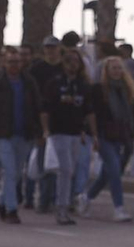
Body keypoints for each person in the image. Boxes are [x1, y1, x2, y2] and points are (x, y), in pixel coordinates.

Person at [0, 47, 42, 224]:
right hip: (3, 134)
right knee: (10, 170)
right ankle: (11, 209)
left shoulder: (29, 82)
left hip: (24, 134)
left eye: (17, 62)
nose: (14, 65)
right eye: (11, 62)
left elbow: (37, 107)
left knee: (16, 173)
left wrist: (40, 131)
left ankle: (1, 201)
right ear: (4, 64)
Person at [41, 41, 96, 226]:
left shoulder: (83, 86)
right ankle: (61, 207)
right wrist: (46, 129)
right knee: (65, 170)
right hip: (59, 132)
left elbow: (88, 111)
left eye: (75, 61)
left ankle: (65, 203)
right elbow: (46, 108)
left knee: (70, 170)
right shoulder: (54, 84)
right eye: (69, 61)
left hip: (75, 133)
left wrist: (92, 133)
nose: (72, 65)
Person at [88, 56, 134, 222]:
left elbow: (131, 113)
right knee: (114, 168)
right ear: (106, 71)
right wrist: (93, 134)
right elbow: (92, 113)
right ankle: (119, 207)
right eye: (113, 69)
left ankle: (86, 198)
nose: (117, 71)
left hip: (122, 135)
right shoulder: (99, 90)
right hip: (104, 134)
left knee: (107, 173)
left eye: (119, 68)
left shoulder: (126, 89)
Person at [26, 35, 64, 212]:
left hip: (62, 122)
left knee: (60, 165)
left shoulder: (64, 69)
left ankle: (57, 198)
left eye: (53, 47)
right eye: (48, 47)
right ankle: (43, 199)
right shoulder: (37, 69)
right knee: (44, 163)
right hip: (42, 121)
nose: (51, 50)